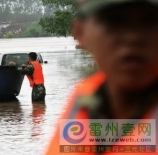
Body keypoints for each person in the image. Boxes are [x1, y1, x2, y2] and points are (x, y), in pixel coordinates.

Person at [45, 0, 158, 155]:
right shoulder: (87, 99)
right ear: (80, 33)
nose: (134, 37)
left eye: (151, 20)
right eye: (114, 21)